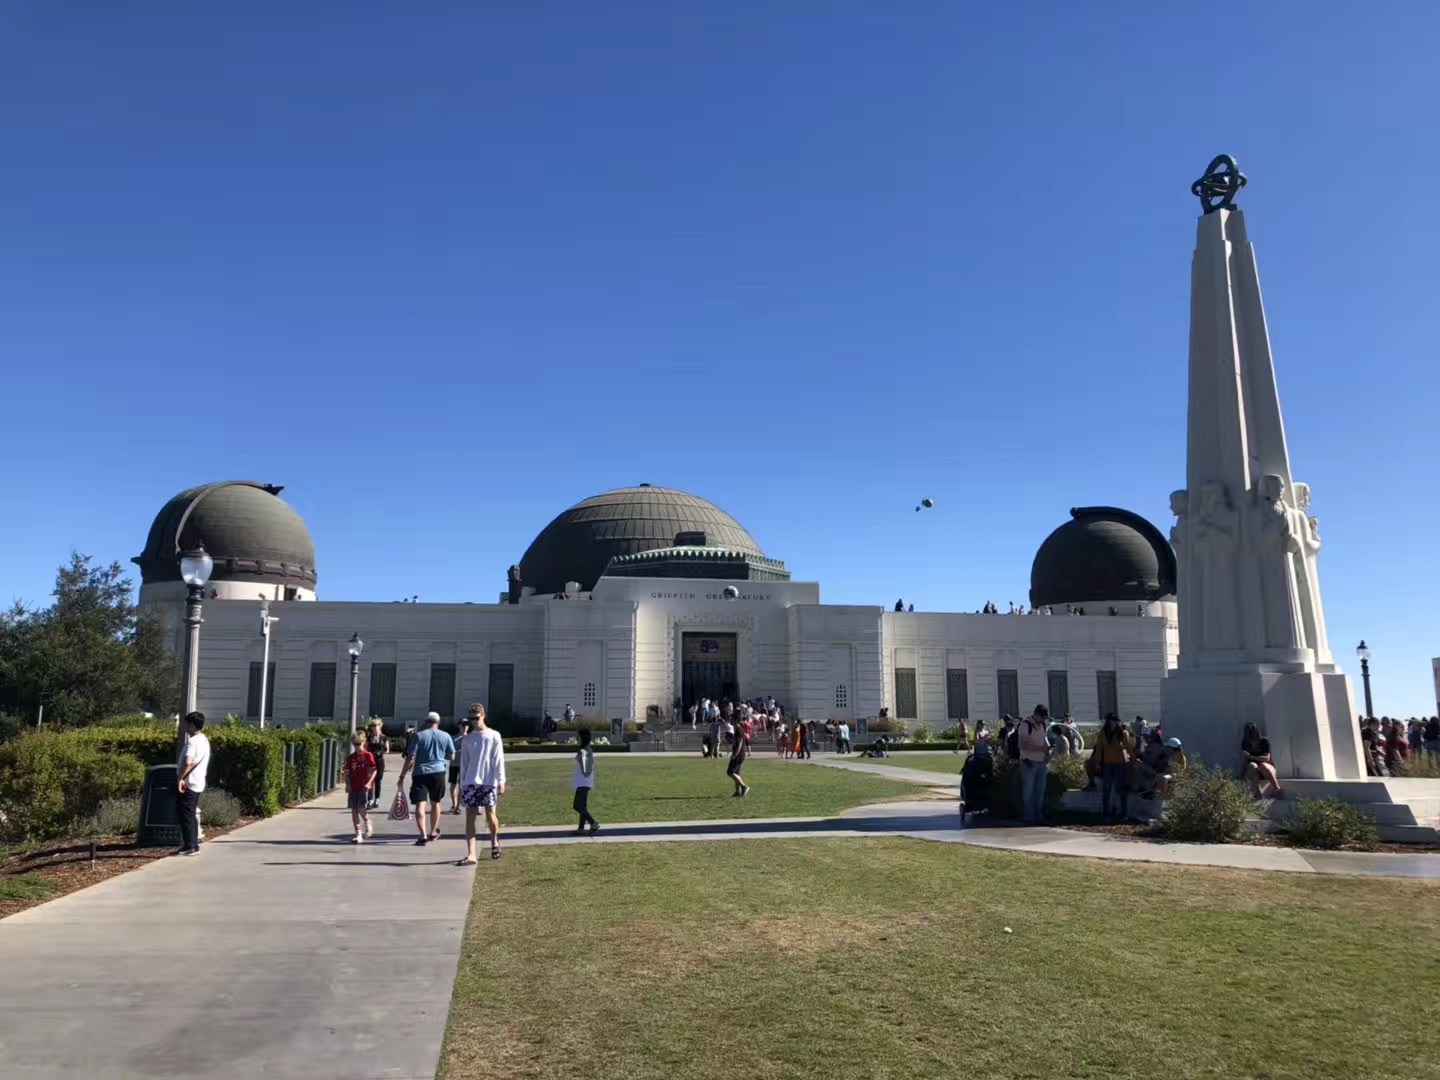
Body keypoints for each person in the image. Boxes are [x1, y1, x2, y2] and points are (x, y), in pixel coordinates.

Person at [457, 703, 507, 863]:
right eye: (471, 719)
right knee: (470, 817)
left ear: (483, 715)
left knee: (491, 815)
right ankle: (471, 853)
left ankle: (494, 841)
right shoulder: (467, 739)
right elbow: (464, 763)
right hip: (471, 782)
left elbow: (498, 759)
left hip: (488, 781)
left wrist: (501, 780)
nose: (473, 721)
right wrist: (462, 784)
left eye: (476, 718)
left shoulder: (494, 735)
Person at [398, 712, 455, 846]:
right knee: (435, 802)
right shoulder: (445, 736)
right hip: (438, 772)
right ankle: (433, 831)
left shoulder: (419, 736)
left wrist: (402, 775)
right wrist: (439, 756)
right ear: (438, 722)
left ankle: (422, 834)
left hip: (420, 773)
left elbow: (410, 756)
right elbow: (452, 756)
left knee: (420, 803)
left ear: (426, 722)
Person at [175, 712, 210, 856]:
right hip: (198, 781)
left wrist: (181, 779)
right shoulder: (204, 740)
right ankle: (193, 844)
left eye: (187, 724)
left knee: (186, 814)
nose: (185, 726)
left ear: (193, 726)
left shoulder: (193, 741)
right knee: (191, 813)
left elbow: (188, 761)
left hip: (189, 783)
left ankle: (189, 845)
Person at [1093, 714, 1134, 821]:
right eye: (1113, 721)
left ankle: (1123, 813)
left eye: (1117, 721)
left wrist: (1134, 758)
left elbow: (1127, 747)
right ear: (1108, 721)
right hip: (1107, 763)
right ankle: (1106, 813)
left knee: (1121, 788)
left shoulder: (1123, 733)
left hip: (1120, 763)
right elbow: (1099, 749)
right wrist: (1097, 763)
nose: (1115, 723)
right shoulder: (1102, 733)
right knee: (1107, 788)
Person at [1017, 705, 1052, 823]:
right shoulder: (1025, 725)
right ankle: (1029, 817)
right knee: (1028, 792)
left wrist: (1048, 751)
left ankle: (1039, 816)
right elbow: (1022, 745)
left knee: (1040, 791)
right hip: (1029, 762)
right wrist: (1039, 749)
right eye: (1042, 717)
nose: (1043, 720)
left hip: (1041, 762)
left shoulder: (1042, 725)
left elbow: (1044, 739)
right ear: (1036, 714)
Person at [344, 732, 377, 843]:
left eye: (359, 743)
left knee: (361, 808)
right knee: (354, 810)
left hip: (364, 786)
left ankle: (367, 821)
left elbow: (374, 770)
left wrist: (369, 783)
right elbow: (347, 772)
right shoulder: (351, 758)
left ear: (364, 742)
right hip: (354, 786)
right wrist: (347, 785)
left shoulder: (368, 755)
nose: (357, 746)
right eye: (355, 744)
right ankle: (358, 834)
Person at [1240, 722, 1283, 799]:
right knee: (1252, 765)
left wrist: (1251, 756)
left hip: (1267, 769)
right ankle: (1258, 792)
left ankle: (1277, 789)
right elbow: (1245, 760)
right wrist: (1241, 774)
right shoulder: (1245, 743)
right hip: (1254, 772)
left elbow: (1267, 758)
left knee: (1262, 765)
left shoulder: (1264, 741)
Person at [571, 727, 599, 835]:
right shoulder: (587, 749)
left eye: (579, 737)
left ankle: (593, 823)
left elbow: (586, 769)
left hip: (583, 783)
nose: (578, 739)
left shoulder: (584, 751)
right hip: (584, 783)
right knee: (582, 806)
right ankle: (581, 828)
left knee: (577, 806)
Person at [448, 719, 473, 813]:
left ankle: (458, 806)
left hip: (464, 765)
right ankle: (454, 804)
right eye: (462, 724)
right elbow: (450, 751)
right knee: (452, 785)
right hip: (454, 764)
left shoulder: (470, 738)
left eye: (466, 724)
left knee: (461, 786)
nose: (464, 726)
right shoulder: (453, 738)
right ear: (459, 726)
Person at [364, 720, 388, 810]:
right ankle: (369, 799)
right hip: (371, 761)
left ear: (380, 726)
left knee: (378, 780)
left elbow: (387, 750)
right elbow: (365, 748)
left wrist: (381, 749)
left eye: (376, 725)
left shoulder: (383, 738)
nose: (374, 727)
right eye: (372, 725)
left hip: (379, 761)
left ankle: (377, 799)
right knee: (370, 780)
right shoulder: (369, 737)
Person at [727, 726, 751, 796]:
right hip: (740, 755)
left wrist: (735, 755)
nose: (731, 720)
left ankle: (744, 786)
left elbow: (739, 744)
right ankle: (738, 791)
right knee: (736, 773)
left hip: (738, 755)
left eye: (732, 718)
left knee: (730, 772)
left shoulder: (739, 730)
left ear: (736, 719)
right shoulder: (738, 730)